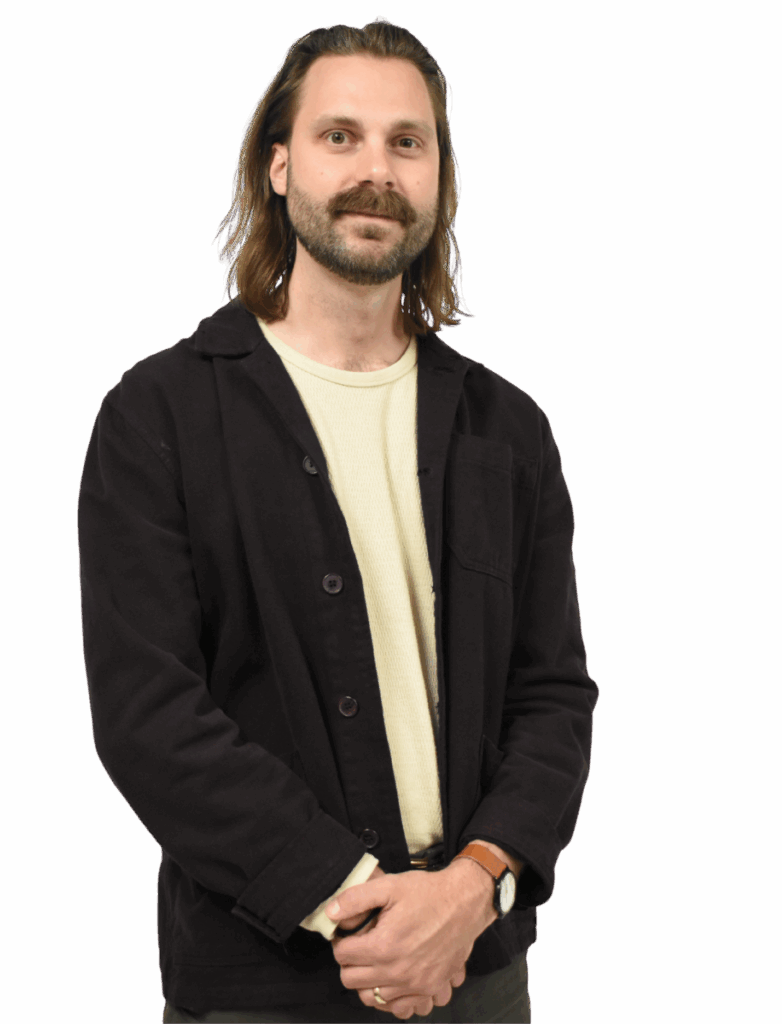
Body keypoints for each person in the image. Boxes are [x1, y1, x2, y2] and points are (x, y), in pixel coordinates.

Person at [78, 17, 597, 1024]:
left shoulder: (508, 428)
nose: (376, 171)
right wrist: (359, 902)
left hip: (477, 969)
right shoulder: (157, 415)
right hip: (261, 977)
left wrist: (470, 889)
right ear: (278, 167)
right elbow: (148, 716)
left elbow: (554, 695)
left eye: (407, 142)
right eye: (339, 136)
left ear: (440, 178)